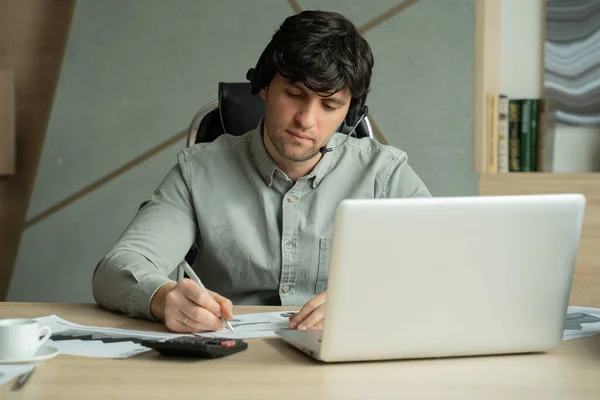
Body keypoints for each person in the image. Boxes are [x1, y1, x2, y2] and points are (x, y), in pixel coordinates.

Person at [92, 10, 430, 334]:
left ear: (349, 113)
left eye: (329, 106)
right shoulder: (198, 172)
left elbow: (447, 270)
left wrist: (368, 300)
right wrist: (163, 298)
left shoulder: (384, 175)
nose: (306, 120)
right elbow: (116, 269)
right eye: (295, 95)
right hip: (227, 356)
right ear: (264, 87)